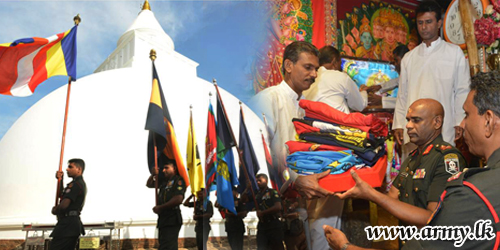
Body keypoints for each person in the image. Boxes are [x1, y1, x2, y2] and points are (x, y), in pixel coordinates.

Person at [322, 71, 500, 250]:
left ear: (437, 123)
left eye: (416, 120)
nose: (407, 126)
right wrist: (362, 189)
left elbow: (431, 219)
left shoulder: (447, 159)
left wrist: (345, 246)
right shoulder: (411, 159)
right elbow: (391, 200)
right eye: (408, 120)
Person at [249, 41, 333, 200]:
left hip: (302, 195)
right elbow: (259, 155)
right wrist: (293, 181)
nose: (314, 75)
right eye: (308, 67)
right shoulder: (267, 100)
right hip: (274, 198)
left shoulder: (305, 106)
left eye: (316, 69)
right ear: (288, 66)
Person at [393, 1, 470, 154]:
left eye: (428, 22)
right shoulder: (409, 58)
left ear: (439, 23)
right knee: (413, 171)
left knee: (442, 168)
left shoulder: (454, 53)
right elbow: (402, 95)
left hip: (444, 125)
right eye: (420, 23)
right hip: (413, 128)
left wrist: (459, 121)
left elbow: (462, 90)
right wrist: (399, 124)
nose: (423, 27)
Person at [303, 45, 367, 114]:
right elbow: (360, 106)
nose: (341, 69)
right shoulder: (341, 77)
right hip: (336, 123)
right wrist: (363, 91)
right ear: (335, 62)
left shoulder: (307, 79)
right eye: (340, 64)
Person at [146, 155, 186, 250]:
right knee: (163, 245)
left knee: (168, 246)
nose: (163, 170)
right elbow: (149, 184)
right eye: (163, 168)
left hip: (172, 218)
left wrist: (161, 207)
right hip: (163, 218)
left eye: (166, 168)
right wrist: (153, 175)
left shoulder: (178, 180)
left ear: (174, 168)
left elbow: (178, 199)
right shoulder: (164, 182)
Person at [50, 158, 87, 250]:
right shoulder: (76, 184)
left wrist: (55, 210)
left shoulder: (76, 185)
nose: (67, 169)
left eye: (70, 167)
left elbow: (64, 205)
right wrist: (60, 180)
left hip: (68, 226)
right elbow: (62, 195)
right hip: (69, 225)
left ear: (79, 169)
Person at [255, 173, 284, 250]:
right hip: (262, 225)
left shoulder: (272, 192)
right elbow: (244, 200)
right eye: (257, 181)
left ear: (266, 181)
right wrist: (247, 188)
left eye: (260, 180)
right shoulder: (257, 195)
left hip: (273, 225)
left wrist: (263, 213)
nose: (258, 182)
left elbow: (278, 206)